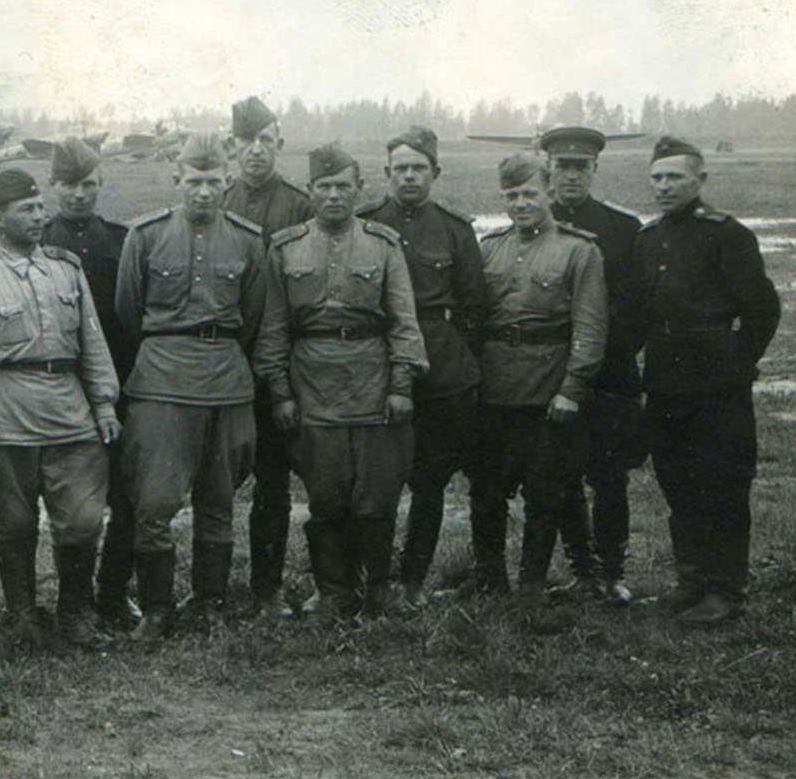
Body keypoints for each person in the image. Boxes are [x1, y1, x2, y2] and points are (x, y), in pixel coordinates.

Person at [0, 168, 122, 651]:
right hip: (11, 418)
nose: (39, 216)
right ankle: (22, 616)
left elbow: (92, 342)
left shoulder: (67, 269)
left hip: (70, 414)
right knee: (16, 524)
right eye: (27, 210)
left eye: (41, 207)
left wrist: (104, 404)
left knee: (82, 521)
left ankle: (76, 614)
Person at [254, 144, 426, 621]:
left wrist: (401, 385)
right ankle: (333, 591)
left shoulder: (383, 244)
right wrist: (280, 392)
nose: (333, 196)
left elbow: (404, 320)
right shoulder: (285, 248)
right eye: (324, 187)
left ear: (359, 190)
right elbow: (273, 327)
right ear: (310, 191)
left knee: (376, 495)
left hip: (373, 382)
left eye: (343, 187)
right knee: (326, 494)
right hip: (313, 386)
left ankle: (376, 591)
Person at [115, 132, 266, 643]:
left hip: (226, 384)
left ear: (228, 180)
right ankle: (157, 608)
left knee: (218, 499)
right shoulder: (146, 235)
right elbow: (128, 310)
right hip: (162, 384)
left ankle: (210, 601)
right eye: (194, 181)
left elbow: (253, 315)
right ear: (177, 179)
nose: (204, 191)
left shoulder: (248, 240)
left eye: (214, 182)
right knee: (155, 502)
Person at [630, 136, 779, 626]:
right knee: (677, 482)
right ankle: (691, 580)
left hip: (717, 385)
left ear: (700, 180)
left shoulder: (728, 235)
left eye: (675, 177)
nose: (664, 186)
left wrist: (737, 361)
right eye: (657, 177)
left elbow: (762, 309)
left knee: (723, 485)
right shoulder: (648, 238)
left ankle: (725, 589)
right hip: (665, 382)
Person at [466, 152, 607, 603]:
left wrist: (572, 388)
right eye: (511, 195)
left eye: (529, 193)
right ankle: (489, 579)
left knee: (545, 492)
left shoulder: (579, 250)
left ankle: (531, 584)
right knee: (486, 490)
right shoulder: (490, 247)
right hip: (493, 390)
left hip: (547, 392)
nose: (521, 203)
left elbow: (590, 327)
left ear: (549, 192)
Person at [359, 126, 484, 611]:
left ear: (435, 173)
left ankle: (412, 582)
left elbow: (473, 305)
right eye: (400, 169)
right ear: (386, 173)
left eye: (419, 168)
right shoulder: (367, 225)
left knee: (430, 483)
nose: (409, 176)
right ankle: (370, 579)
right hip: (376, 366)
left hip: (440, 372)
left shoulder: (455, 230)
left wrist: (449, 349)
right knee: (376, 481)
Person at [219, 96, 316, 619]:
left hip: (281, 366)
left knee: (274, 483)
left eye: (264, 141)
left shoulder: (299, 207)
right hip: (228, 365)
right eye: (245, 141)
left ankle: (267, 588)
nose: (255, 151)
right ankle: (210, 589)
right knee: (217, 482)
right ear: (232, 146)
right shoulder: (220, 201)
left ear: (278, 145)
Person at [543, 126, 647, 605]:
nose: (571, 176)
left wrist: (607, 350)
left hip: (610, 373)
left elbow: (637, 307)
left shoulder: (623, 229)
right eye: (562, 167)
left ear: (595, 169)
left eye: (580, 167)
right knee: (561, 474)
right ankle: (581, 569)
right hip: (548, 371)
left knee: (609, 477)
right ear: (548, 169)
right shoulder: (533, 223)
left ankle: (611, 572)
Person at [40, 137, 140, 631]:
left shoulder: (123, 242)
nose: (79, 194)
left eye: (88, 184)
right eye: (68, 185)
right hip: (60, 390)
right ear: (52, 185)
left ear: (101, 184)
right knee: (72, 501)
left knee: (128, 494)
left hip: (118, 384)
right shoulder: (38, 243)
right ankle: (74, 601)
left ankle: (114, 593)